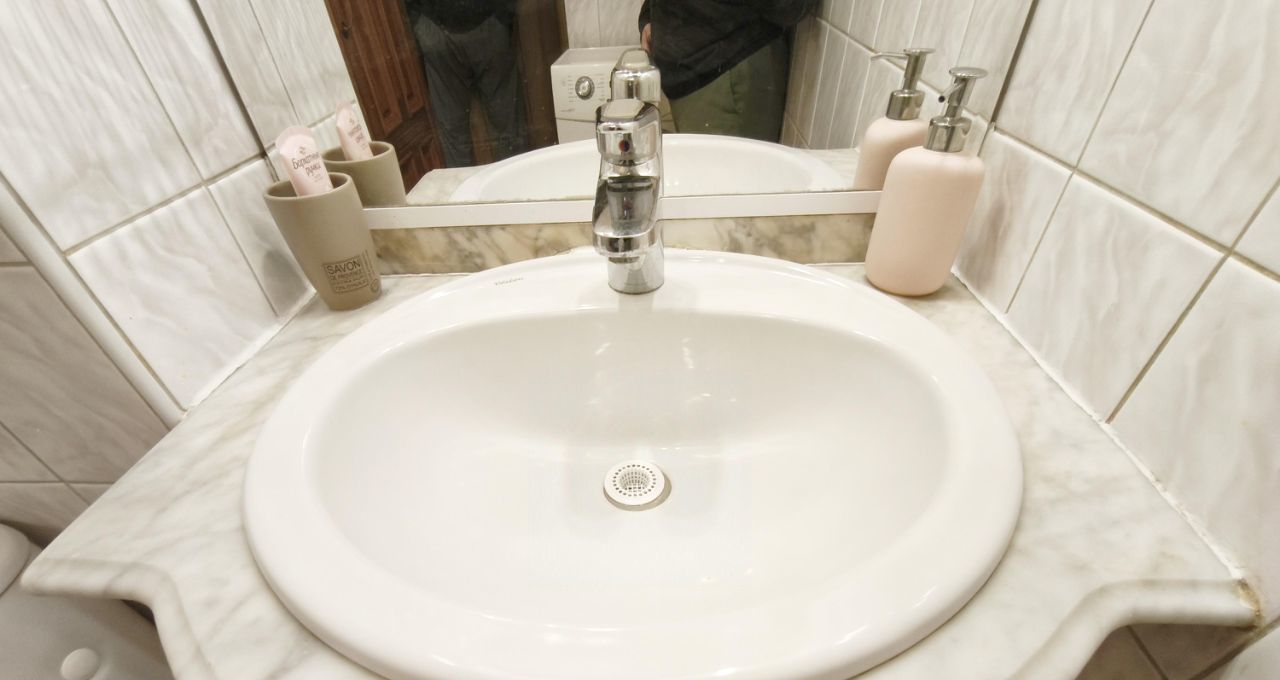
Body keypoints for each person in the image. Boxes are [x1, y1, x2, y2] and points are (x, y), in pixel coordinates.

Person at [637, 0, 814, 142]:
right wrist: (651, 14)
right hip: (703, 72)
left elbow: (788, 7)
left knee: (729, 174)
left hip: (724, 69)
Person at [406, 0, 529, 167]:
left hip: (471, 22)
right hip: (439, 25)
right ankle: (513, 181)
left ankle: (512, 179)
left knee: (459, 135)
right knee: (503, 127)